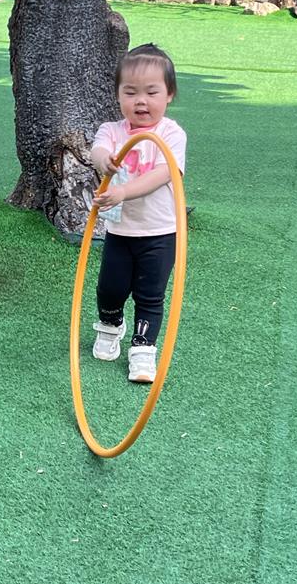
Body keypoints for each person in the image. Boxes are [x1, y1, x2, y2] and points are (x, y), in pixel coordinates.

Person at [89, 43, 186, 383]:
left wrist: (123, 192)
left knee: (150, 293)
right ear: (118, 95)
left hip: (160, 232)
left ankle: (143, 348)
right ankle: (110, 324)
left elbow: (162, 174)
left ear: (169, 94)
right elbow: (98, 150)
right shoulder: (113, 131)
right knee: (110, 288)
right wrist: (104, 160)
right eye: (130, 92)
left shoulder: (171, 134)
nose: (140, 101)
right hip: (120, 232)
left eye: (151, 92)